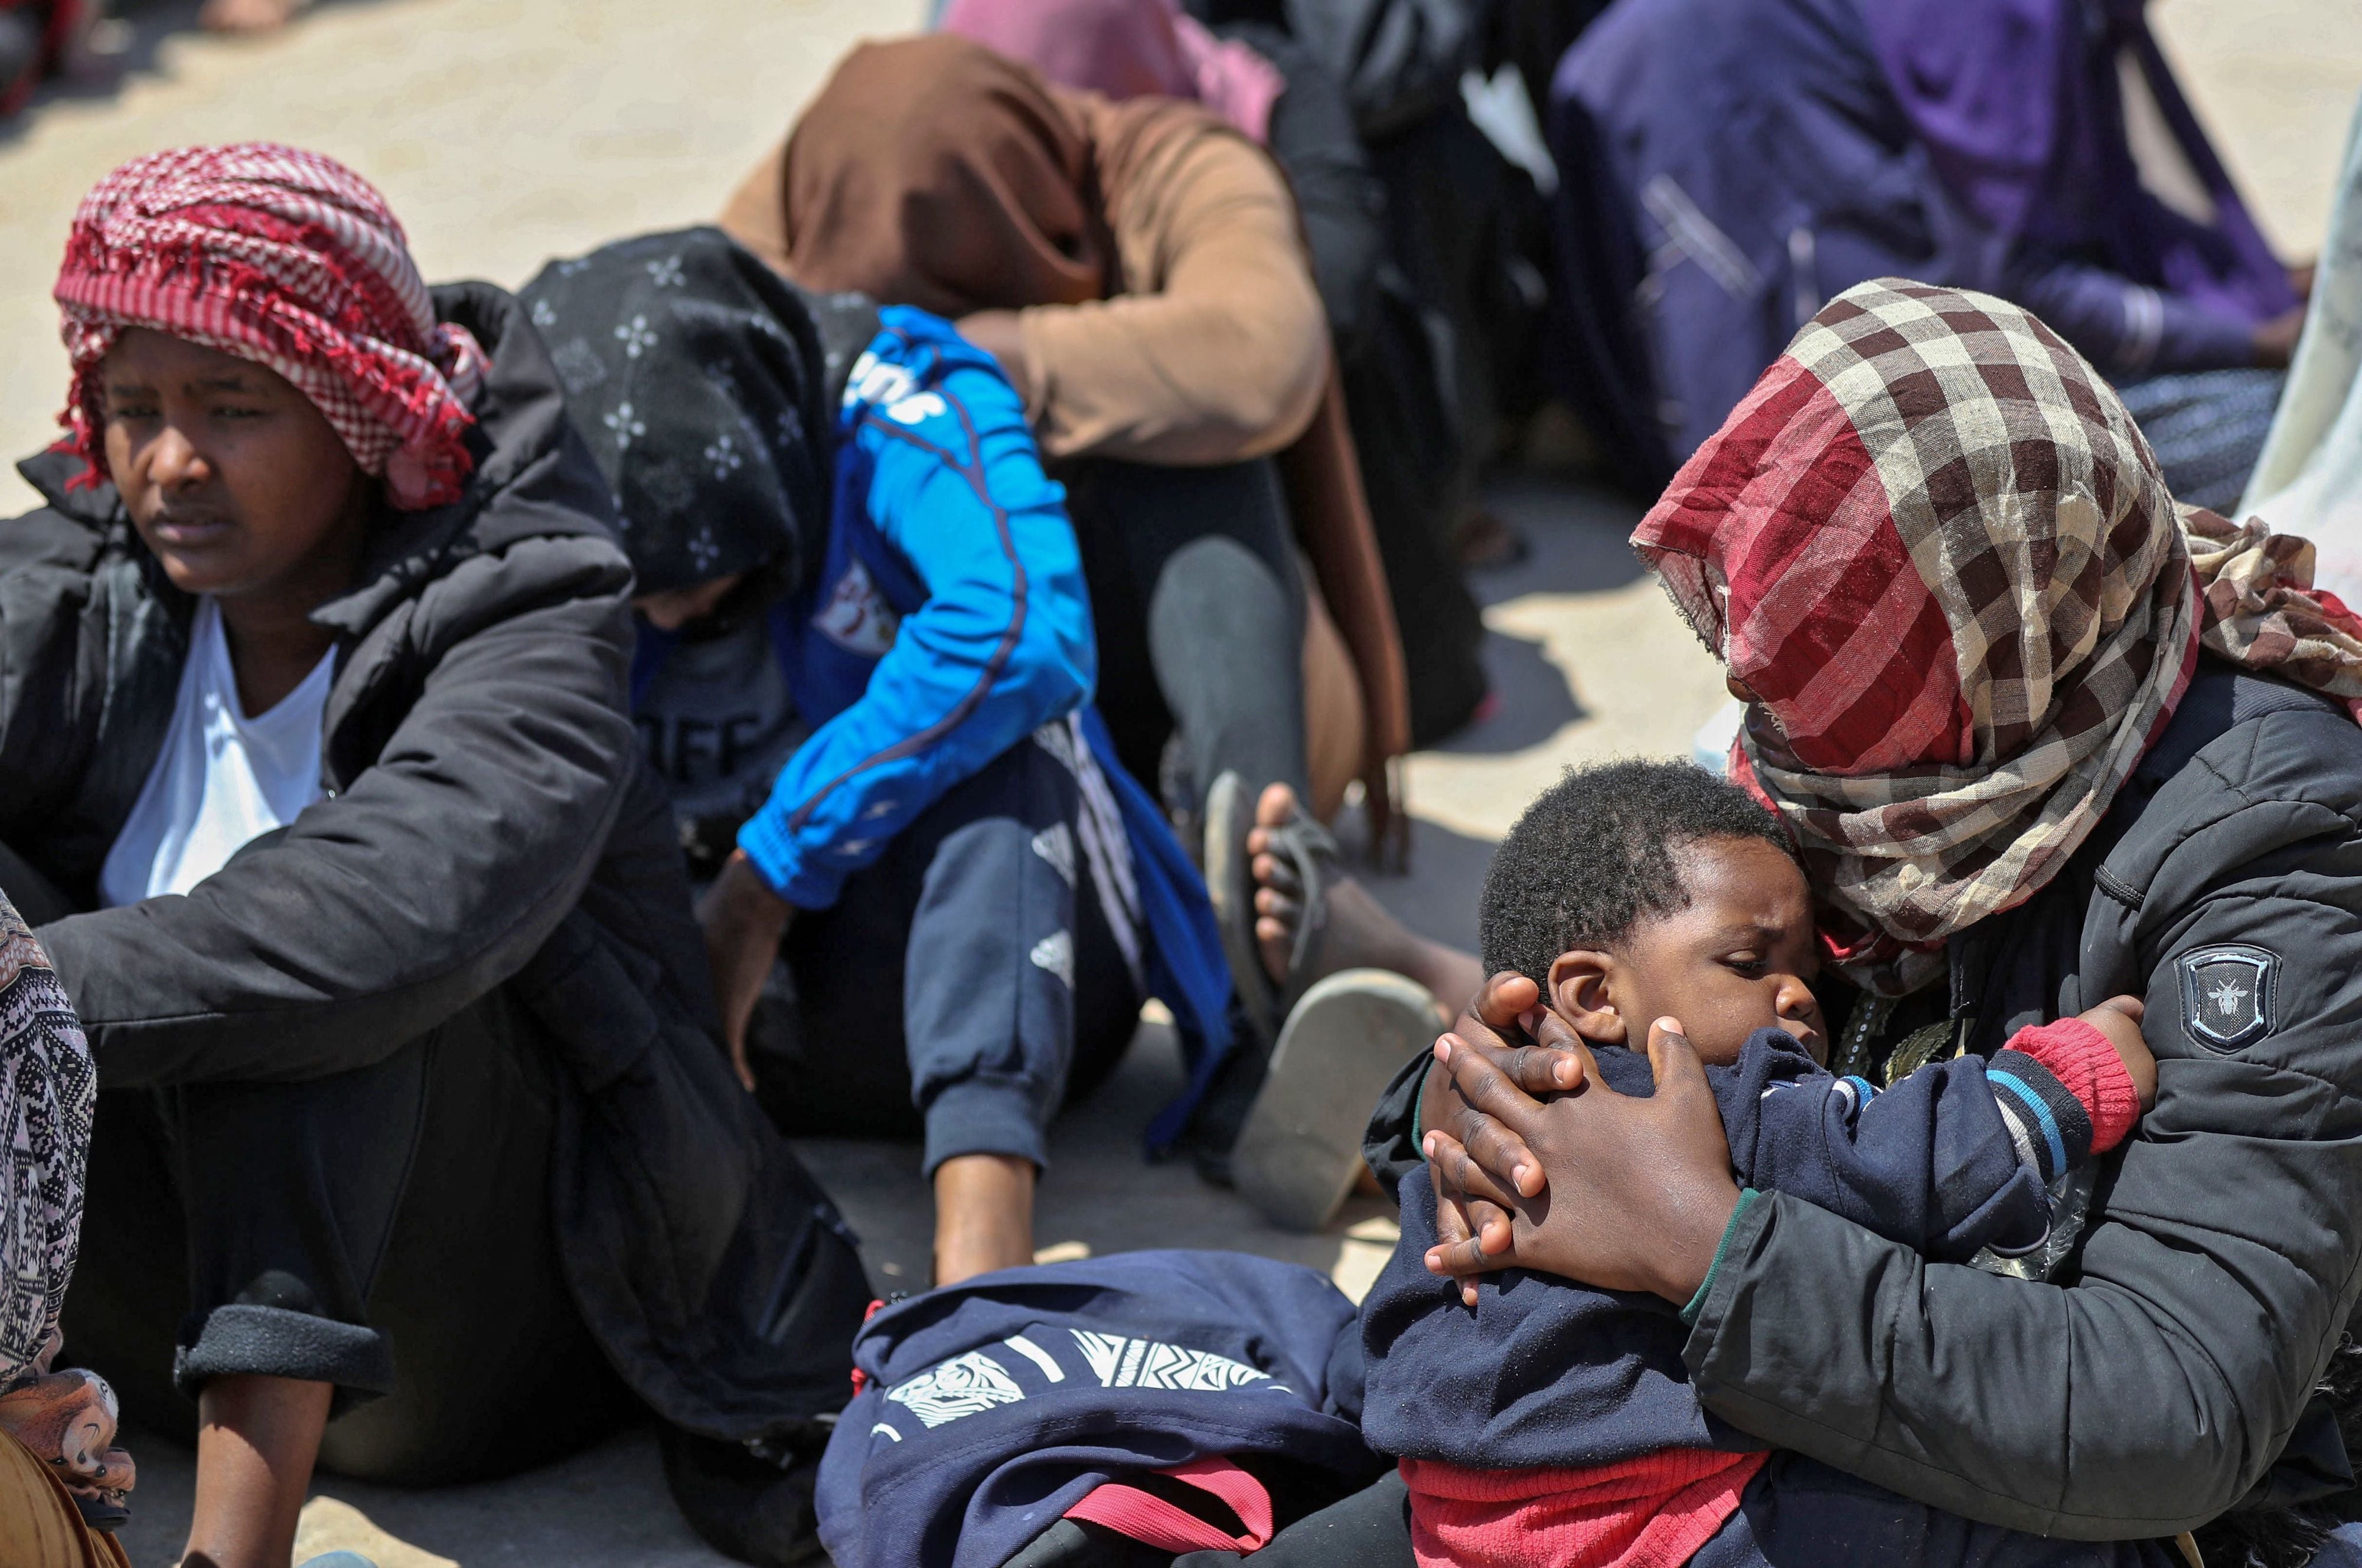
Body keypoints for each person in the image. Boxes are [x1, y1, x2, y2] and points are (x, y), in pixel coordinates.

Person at [1329, 279, 2362, 1568]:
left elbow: (2170, 1404)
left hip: (2083, 1501)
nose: (1781, 732)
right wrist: (1482, 1109)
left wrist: (1704, 1248)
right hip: (1776, 1390)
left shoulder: (2271, 852)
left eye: (1838, 664)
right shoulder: (1881, 757)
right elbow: (1647, 978)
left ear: (1991, 635)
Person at [2, 145, 870, 1568]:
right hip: (151, 1306)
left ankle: (238, 1552)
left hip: (487, 1335)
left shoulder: (534, 610)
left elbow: (387, 915)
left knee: (314, 965)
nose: (171, 461)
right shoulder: (89, 585)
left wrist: (23, 989)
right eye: (134, 408)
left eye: (232, 408)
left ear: (358, 410)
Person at [520, 226, 1233, 1284]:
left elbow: (1026, 625)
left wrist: (766, 879)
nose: (667, 607)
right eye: (640, 586)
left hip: (988, 975)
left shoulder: (901, 395)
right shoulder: (528, 433)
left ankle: (982, 1263)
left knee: (996, 735)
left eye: (703, 571)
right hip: (713, 1021)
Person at [716, 34, 1412, 1055]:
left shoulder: (1179, 166)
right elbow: (707, 354)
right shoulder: (808, 180)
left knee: (1203, 459)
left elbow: (1264, 353)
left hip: (1209, 669)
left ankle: (1270, 908)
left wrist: (960, 369)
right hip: (961, 688)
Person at [1361, 760, 2165, 1568]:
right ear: (1594, 995)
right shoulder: (1706, 1098)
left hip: (1454, 1516)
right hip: (1663, 1509)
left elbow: (1390, 1319)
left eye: (1808, 976)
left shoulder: (1469, 1141)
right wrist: (2060, 1085)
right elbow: (1885, 1165)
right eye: (1750, 965)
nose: (1797, 998)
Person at [939, 0, 1492, 747]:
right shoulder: (951, 128)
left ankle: (1253, 781)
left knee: (1201, 428)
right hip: (1040, 497)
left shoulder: (1262, 89)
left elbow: (1321, 304)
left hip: (1279, 480)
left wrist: (1035, 353)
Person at [1548, 0, 2307, 508]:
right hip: (1804, 437)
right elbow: (2008, 283)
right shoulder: (1994, 20)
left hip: (1684, 337)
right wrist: (2251, 338)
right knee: (2290, 426)